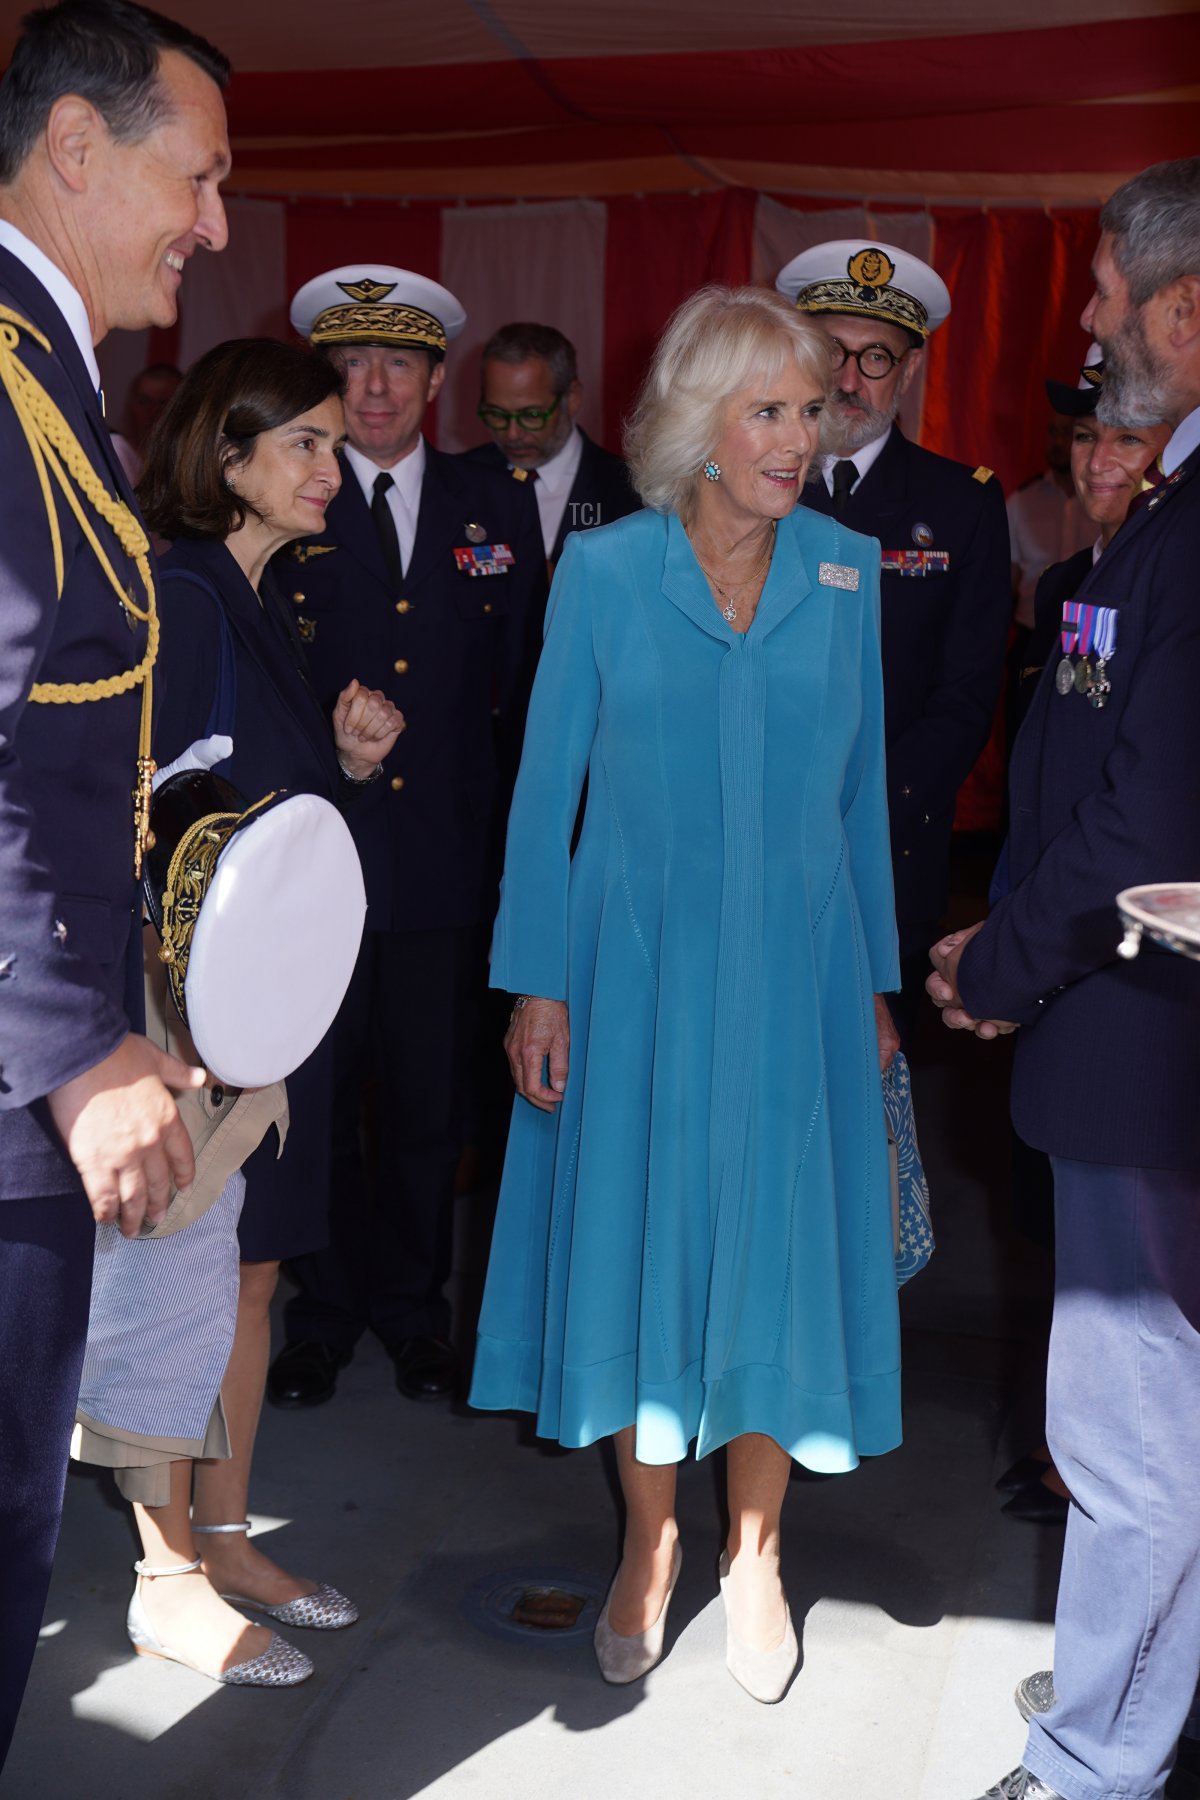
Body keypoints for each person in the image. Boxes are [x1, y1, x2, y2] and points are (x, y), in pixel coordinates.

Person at [469, 284, 902, 1704]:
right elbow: (545, 798)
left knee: (774, 1250)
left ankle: (757, 1553)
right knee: (642, 1246)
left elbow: (860, 810)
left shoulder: (845, 572)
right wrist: (537, 983)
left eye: (811, 410)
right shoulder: (604, 574)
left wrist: (878, 987)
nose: (800, 436)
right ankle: (650, 1545)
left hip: (798, 974)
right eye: (768, 411)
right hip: (633, 968)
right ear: (699, 430)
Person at [925, 156, 1200, 1800]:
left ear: (1184, 308)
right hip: (1135, 1017)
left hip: (1143, 1039)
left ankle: (1099, 1757)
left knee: (1132, 1435)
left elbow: (1144, 821)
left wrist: (1003, 965)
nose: (1085, 317)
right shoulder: (1160, 515)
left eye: (1104, 289)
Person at [103, 337, 404, 1686]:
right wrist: (159, 1038)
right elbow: (137, 816)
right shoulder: (183, 597)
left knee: (252, 1273)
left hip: (258, 1012)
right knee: (174, 1283)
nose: (331, 471)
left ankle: (223, 1535)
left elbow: (239, 804)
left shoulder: (258, 594)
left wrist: (335, 762)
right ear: (226, 458)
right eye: (305, 446)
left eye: (333, 445)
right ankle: (166, 1569)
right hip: (188, 1018)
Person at [0, 0, 230, 1762]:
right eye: (199, 176)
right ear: (77, 147)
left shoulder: (50, 374)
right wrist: (76, 1043)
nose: (215, 225)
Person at [266, 266, 549, 1410]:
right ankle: (322, 1315)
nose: (371, 388)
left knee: (431, 1104)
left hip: (444, 856)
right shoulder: (291, 498)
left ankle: (414, 1312)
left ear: (437, 378)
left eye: (395, 364)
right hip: (315, 860)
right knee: (321, 1101)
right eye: (348, 365)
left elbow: (529, 691)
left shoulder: (499, 506)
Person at [997, 355, 1171, 1529]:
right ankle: (1069, 1463)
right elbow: (1044, 791)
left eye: (1128, 445)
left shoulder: (1162, 583)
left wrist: (1009, 960)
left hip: (1129, 991)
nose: (1098, 464)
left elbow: (1127, 818)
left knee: (1141, 1312)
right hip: (1059, 966)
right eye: (1084, 440)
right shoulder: (1071, 580)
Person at [776, 240, 1011, 1043]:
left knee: (864, 1090)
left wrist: (861, 808)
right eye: (830, 353)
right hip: (747, 838)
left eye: (874, 358)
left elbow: (965, 696)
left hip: (886, 852)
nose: (848, 380)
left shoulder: (961, 505)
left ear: (908, 371)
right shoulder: (740, 484)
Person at [461, 321, 639, 567]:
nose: (512, 434)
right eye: (497, 414)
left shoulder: (630, 492)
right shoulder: (457, 479)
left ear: (572, 399)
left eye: (532, 415)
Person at [1006, 408, 1094, 634]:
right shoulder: (1021, 502)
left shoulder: (1105, 502)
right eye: (1053, 432)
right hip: (1031, 633)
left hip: (1088, 634)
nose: (1058, 441)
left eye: (1067, 432)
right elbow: (1006, 583)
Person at [110, 358, 182, 483]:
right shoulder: (113, 452)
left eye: (163, 403)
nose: (153, 412)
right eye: (144, 402)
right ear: (131, 405)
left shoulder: (190, 465)